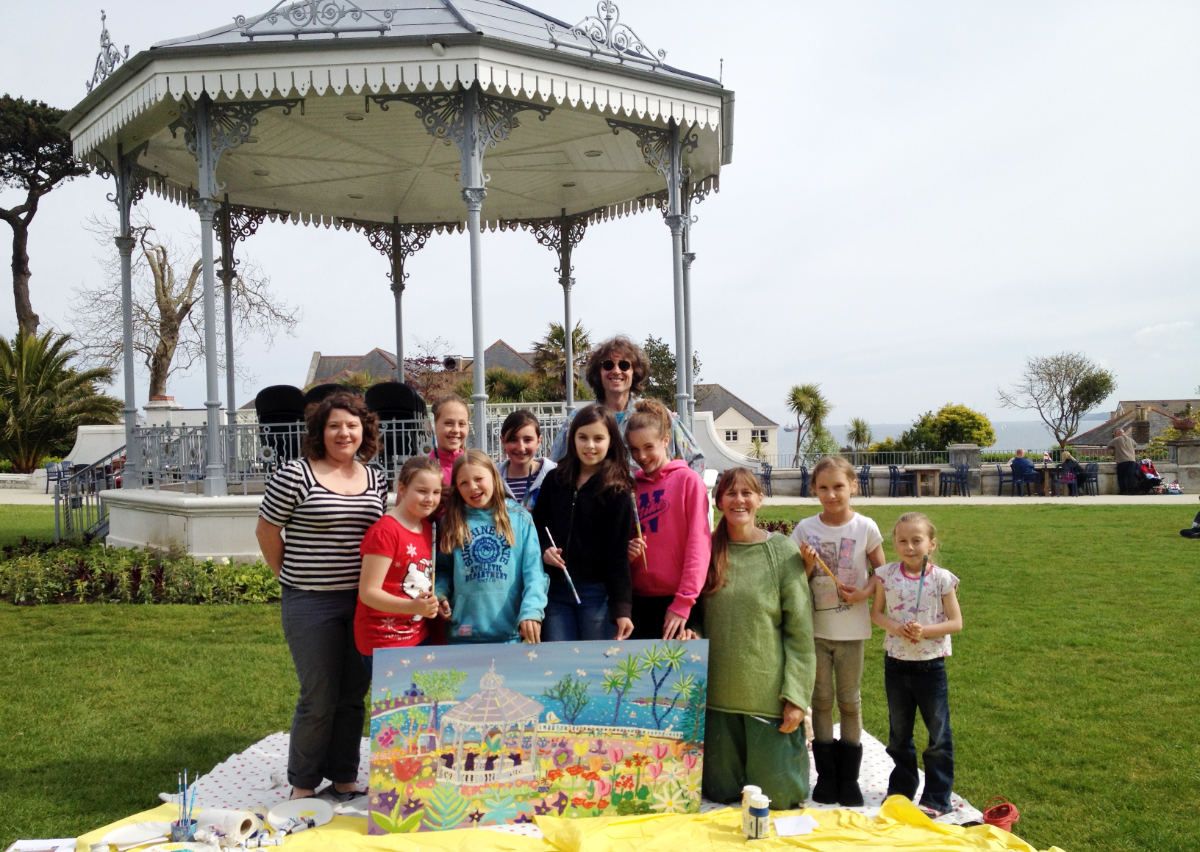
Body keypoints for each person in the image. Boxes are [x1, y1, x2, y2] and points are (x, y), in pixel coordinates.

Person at [255, 390, 387, 801]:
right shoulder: (295, 475)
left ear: (363, 429)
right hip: (310, 602)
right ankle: (304, 783)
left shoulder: (375, 476)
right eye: (334, 426)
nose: (344, 433)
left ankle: (344, 776)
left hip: (364, 603)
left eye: (351, 425)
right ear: (320, 431)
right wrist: (291, 577)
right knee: (318, 696)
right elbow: (267, 531)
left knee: (352, 695)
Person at [700, 468, 815, 809]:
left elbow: (800, 631)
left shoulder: (781, 553)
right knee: (718, 794)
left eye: (747, 493)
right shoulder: (705, 551)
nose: (739, 500)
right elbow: (692, 613)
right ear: (718, 501)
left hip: (766, 697)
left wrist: (796, 696)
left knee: (780, 798)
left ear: (759, 499)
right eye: (731, 493)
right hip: (718, 698)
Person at [791, 455, 884, 807]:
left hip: (852, 631)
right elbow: (794, 582)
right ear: (814, 489)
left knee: (849, 701)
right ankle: (827, 778)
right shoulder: (804, 530)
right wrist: (806, 564)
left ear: (853, 487)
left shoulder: (866, 527)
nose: (832, 495)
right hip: (815, 630)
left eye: (839, 487)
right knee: (822, 702)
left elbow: (883, 573)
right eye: (824, 487)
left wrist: (863, 593)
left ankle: (849, 780)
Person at [871, 512, 963, 819]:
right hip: (896, 665)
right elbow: (877, 614)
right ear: (894, 543)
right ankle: (901, 789)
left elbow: (956, 622)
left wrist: (925, 631)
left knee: (938, 733)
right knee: (899, 734)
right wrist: (897, 629)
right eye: (902, 541)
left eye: (917, 540)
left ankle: (937, 797)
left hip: (930, 667)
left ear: (931, 544)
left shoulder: (941, 579)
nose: (909, 547)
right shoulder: (885, 574)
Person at [534, 404, 634, 641]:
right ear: (573, 439)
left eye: (598, 438)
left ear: (611, 441)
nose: (590, 445)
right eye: (583, 437)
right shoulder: (554, 480)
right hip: (555, 590)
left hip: (597, 594)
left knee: (594, 667)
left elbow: (618, 555)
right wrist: (544, 552)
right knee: (560, 667)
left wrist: (622, 609)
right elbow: (537, 528)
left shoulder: (618, 490)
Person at [434, 450, 547, 644]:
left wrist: (531, 611)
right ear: (457, 488)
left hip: (510, 635)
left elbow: (534, 573)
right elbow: (443, 570)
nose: (473, 487)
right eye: (464, 483)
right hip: (463, 635)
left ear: (494, 477)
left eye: (479, 478)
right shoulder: (451, 522)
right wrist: (439, 593)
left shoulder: (520, 518)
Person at [548, 335, 703, 472]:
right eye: (608, 365)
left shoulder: (657, 414)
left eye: (624, 365)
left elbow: (695, 459)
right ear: (598, 372)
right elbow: (555, 466)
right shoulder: (577, 419)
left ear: (634, 372)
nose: (616, 371)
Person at [625, 399, 711, 640]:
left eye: (648, 447)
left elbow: (699, 545)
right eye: (633, 449)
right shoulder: (633, 487)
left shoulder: (688, 482)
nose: (641, 456)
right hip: (637, 603)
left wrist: (684, 602)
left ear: (666, 440)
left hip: (677, 603)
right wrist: (628, 552)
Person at [354, 456, 443, 677]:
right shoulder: (385, 531)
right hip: (384, 640)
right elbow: (368, 592)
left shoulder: (427, 528)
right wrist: (413, 607)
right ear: (402, 488)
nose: (430, 499)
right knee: (397, 707)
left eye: (436, 492)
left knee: (415, 707)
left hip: (417, 635)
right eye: (422, 491)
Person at [498, 410, 556, 510]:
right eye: (513, 440)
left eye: (528, 440)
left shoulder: (556, 475)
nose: (521, 447)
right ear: (503, 441)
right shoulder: (491, 476)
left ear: (539, 441)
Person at [429, 394, 470, 487]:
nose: (456, 430)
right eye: (448, 423)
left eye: (461, 424)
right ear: (434, 424)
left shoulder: (477, 468)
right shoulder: (420, 471)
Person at [1107, 428, 1137, 495]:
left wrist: (1113, 452)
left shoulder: (1115, 440)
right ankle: (1130, 491)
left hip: (1122, 460)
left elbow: (1109, 446)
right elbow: (1135, 446)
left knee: (1121, 477)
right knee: (1130, 477)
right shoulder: (1131, 440)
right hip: (1132, 460)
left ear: (1117, 433)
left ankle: (1123, 491)